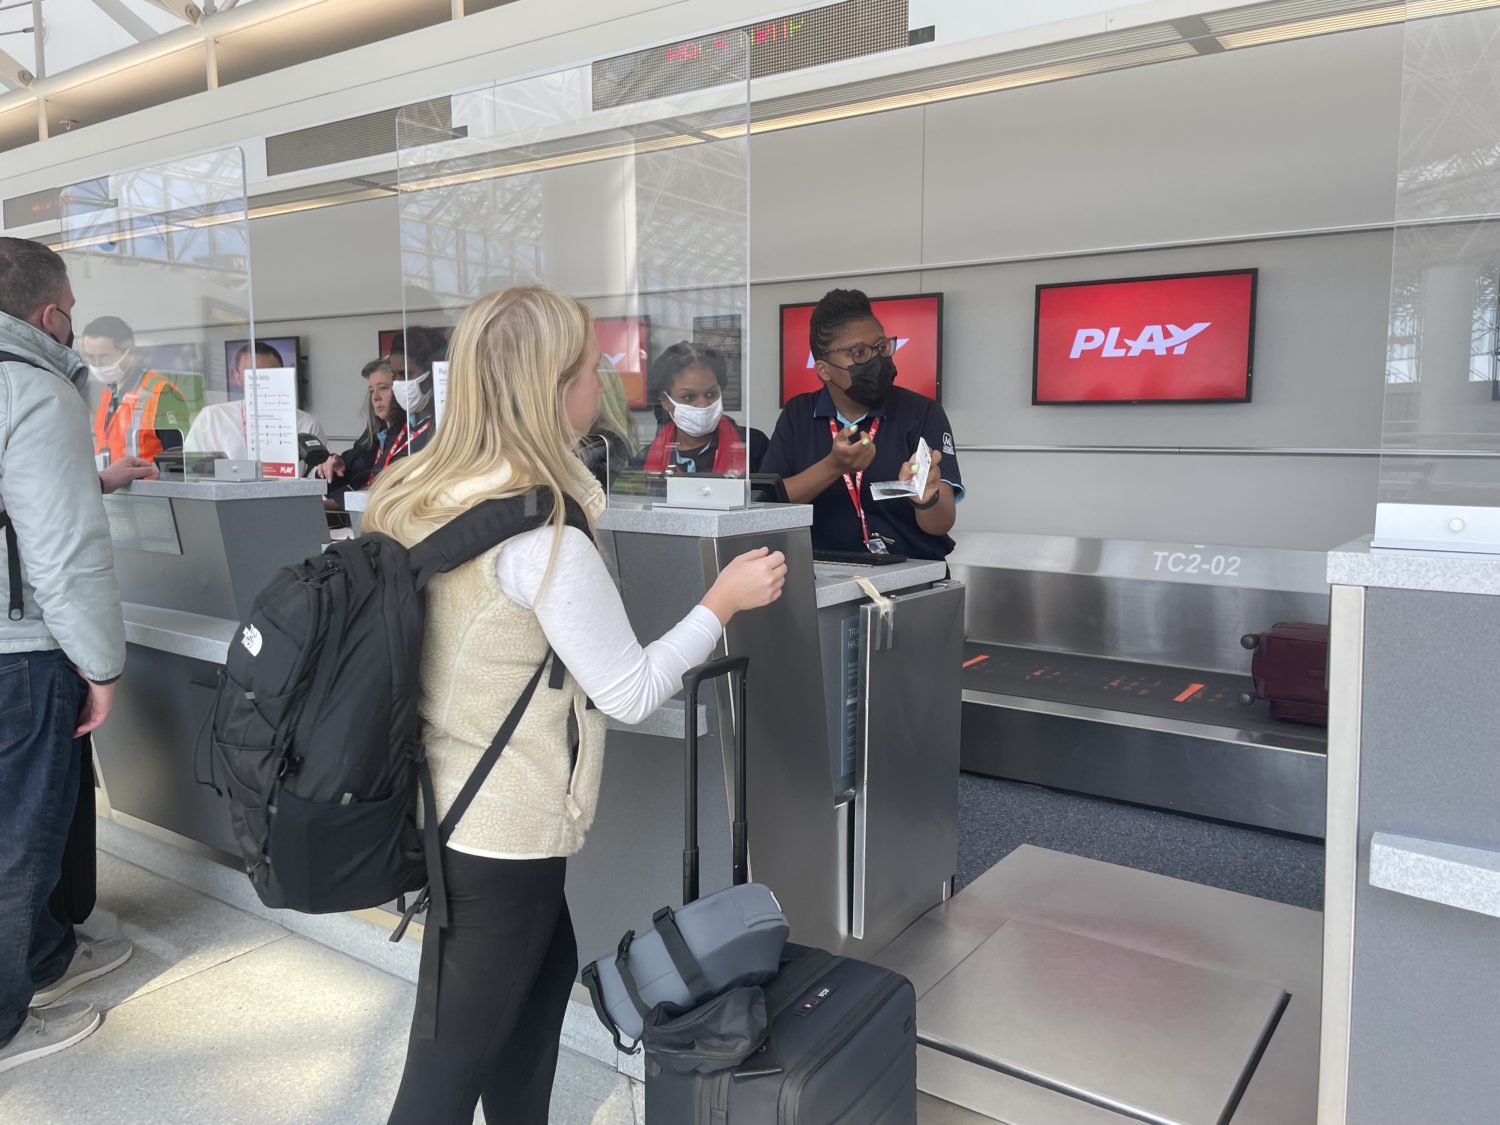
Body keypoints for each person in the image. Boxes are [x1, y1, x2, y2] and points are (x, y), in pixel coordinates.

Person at [364, 286, 785, 1124]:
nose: (605, 379)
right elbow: (627, 690)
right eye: (592, 367)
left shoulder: (415, 494)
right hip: (500, 830)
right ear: (552, 388)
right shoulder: (542, 536)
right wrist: (722, 602)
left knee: (536, 989)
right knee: (444, 1073)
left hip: (444, 802)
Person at [0, 237, 133, 1074]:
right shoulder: (34, 389)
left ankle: (45, 955)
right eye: (73, 312)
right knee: (21, 839)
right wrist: (101, 666)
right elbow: (64, 553)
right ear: (50, 315)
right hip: (18, 652)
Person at [762, 288, 964, 560]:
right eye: (858, 353)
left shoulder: (922, 412)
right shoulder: (798, 414)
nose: (876, 360)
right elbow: (770, 506)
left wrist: (927, 499)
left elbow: (941, 523)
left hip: (910, 572)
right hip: (824, 573)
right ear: (824, 370)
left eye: (881, 347)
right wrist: (833, 466)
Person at [184, 340, 325, 469]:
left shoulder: (308, 425)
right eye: (253, 376)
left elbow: (321, 478)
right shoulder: (211, 418)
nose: (262, 381)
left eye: (270, 374)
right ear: (237, 377)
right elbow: (190, 472)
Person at [78, 316, 191, 466]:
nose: (97, 365)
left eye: (105, 357)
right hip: (112, 480)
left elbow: (177, 463)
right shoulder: (108, 393)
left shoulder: (162, 394)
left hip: (148, 481)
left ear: (130, 354)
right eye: (91, 358)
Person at [641, 341, 767, 475]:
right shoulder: (645, 458)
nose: (703, 404)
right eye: (689, 397)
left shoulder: (753, 445)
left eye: (711, 394)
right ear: (665, 400)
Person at [316, 358, 406, 502]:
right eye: (371, 391)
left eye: (383, 388)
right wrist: (333, 467)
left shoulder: (413, 435)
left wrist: (336, 503)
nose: (375, 397)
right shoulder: (373, 435)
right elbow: (350, 476)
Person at [384, 326, 448, 463]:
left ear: (431, 373)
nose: (398, 384)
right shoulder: (399, 422)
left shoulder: (446, 426)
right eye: (394, 376)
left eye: (405, 374)